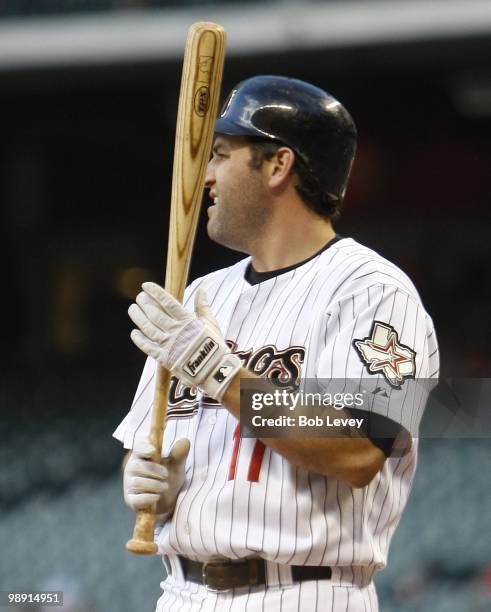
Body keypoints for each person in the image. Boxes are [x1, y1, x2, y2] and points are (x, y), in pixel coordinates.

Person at [114, 75, 439, 611]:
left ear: (278, 165)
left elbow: (359, 448)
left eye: (220, 155)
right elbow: (147, 441)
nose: (205, 176)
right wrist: (149, 480)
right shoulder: (199, 294)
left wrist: (217, 371)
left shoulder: (373, 291)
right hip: (181, 592)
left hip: (305, 591)